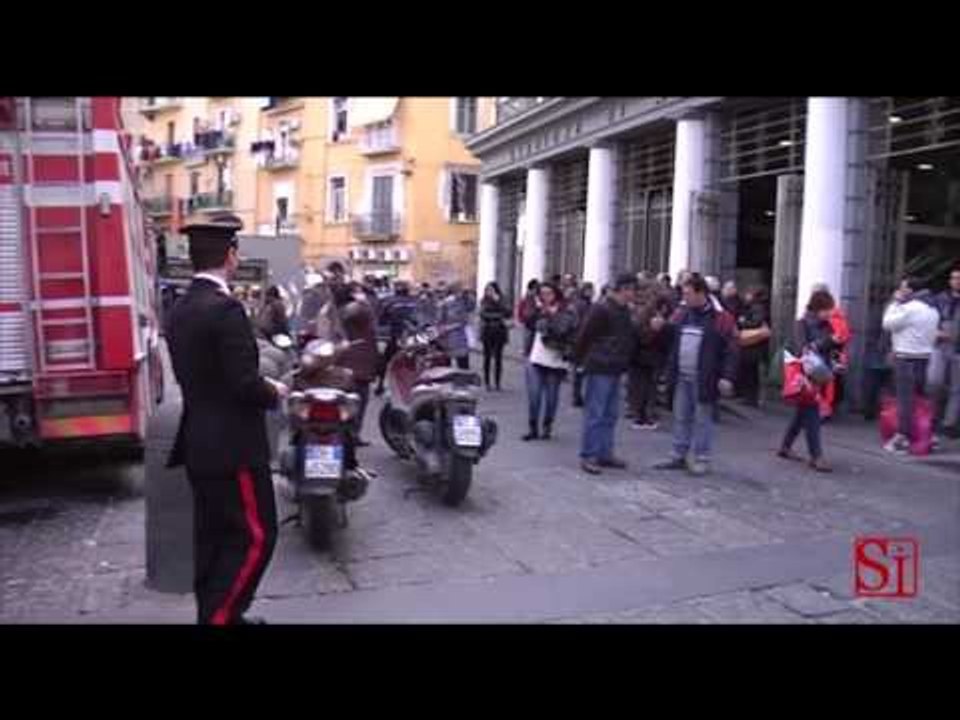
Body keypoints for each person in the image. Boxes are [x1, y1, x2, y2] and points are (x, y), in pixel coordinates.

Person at [165, 213, 285, 625]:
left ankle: (218, 614)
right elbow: (244, 385)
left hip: (199, 443)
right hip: (234, 448)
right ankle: (221, 618)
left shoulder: (179, 308)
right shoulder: (225, 310)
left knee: (214, 540)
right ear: (231, 256)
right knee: (256, 537)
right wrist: (276, 391)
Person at [654, 273, 738, 477]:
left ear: (701, 293)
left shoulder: (721, 318)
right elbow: (671, 338)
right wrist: (662, 328)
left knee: (703, 419)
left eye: (688, 293)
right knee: (681, 416)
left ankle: (702, 458)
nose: (685, 297)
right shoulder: (683, 313)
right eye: (683, 293)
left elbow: (732, 349)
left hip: (705, 377)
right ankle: (678, 454)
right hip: (683, 375)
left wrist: (727, 376)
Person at [573, 272, 638, 475]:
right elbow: (584, 335)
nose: (633, 293)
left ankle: (605, 453)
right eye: (632, 289)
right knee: (596, 414)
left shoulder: (624, 310)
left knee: (610, 414)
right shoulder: (601, 309)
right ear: (623, 289)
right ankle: (589, 455)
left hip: (616, 367)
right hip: (600, 366)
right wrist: (579, 361)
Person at [777, 290, 838, 472]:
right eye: (827, 309)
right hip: (805, 375)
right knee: (812, 415)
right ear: (818, 308)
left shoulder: (827, 325)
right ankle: (816, 456)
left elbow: (828, 349)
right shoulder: (802, 324)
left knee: (801, 414)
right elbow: (802, 348)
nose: (830, 312)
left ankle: (785, 447)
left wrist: (834, 357)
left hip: (819, 374)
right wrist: (826, 342)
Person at [882, 277, 941, 454]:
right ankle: (929, 434)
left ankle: (902, 437)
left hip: (906, 357)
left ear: (911, 291)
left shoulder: (909, 309)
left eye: (903, 288)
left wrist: (895, 302)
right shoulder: (933, 309)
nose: (900, 291)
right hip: (925, 357)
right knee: (921, 400)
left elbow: (887, 324)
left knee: (905, 400)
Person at [522, 283, 577, 441]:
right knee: (534, 395)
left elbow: (563, 330)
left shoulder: (566, 310)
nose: (546, 297)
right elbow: (528, 321)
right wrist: (539, 311)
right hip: (536, 358)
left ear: (556, 294)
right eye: (542, 293)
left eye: (549, 293)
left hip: (555, 360)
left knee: (552, 397)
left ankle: (547, 426)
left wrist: (552, 316)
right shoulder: (539, 309)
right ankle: (533, 428)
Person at [336, 282, 379, 446]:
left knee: (349, 398)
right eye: (359, 291)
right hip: (358, 361)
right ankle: (351, 433)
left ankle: (348, 432)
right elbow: (357, 312)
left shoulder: (337, 310)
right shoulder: (356, 309)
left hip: (349, 359)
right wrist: (362, 301)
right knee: (358, 399)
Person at [629, 280, 669, 429]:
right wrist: (654, 330)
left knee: (645, 386)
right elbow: (642, 335)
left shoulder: (648, 310)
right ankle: (642, 417)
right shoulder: (647, 312)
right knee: (645, 387)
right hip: (644, 355)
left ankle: (643, 416)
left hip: (646, 355)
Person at [374, 280, 419, 396]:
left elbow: (381, 319)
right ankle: (412, 387)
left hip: (394, 335)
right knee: (411, 362)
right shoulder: (415, 301)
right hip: (412, 336)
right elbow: (420, 319)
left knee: (386, 360)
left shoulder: (388, 301)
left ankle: (380, 385)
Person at [932, 267, 960, 438]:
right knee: (935, 383)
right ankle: (933, 418)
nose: (956, 281)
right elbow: (930, 319)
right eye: (954, 278)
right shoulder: (940, 299)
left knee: (957, 389)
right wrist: (936, 332)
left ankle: (949, 423)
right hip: (941, 346)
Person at [736, 287, 770, 407]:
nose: (746, 296)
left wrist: (743, 321)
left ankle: (751, 398)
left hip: (754, 346)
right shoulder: (755, 306)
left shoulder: (757, 307)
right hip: (754, 346)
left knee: (752, 374)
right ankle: (750, 398)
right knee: (751, 374)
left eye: (748, 294)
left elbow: (756, 322)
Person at [479, 282, 510, 391]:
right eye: (488, 290)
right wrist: (498, 315)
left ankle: (497, 383)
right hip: (487, 331)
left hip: (499, 332)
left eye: (491, 290)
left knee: (498, 358)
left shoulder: (501, 299)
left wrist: (498, 302)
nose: (489, 292)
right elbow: (483, 314)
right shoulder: (484, 300)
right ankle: (487, 383)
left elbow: (508, 313)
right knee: (487, 358)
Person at [570, 281, 595, 407]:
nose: (592, 292)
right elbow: (579, 323)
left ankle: (578, 395)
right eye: (589, 290)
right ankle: (577, 396)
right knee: (580, 370)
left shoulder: (587, 304)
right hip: (580, 340)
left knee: (581, 370)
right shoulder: (581, 304)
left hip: (584, 340)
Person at [437, 280, 472, 369]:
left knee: (463, 365)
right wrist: (443, 330)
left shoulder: (463, 301)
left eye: (461, 289)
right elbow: (439, 320)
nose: (461, 292)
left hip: (461, 337)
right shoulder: (445, 303)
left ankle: (464, 381)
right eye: (459, 289)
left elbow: (471, 307)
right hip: (448, 337)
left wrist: (468, 295)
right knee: (446, 366)